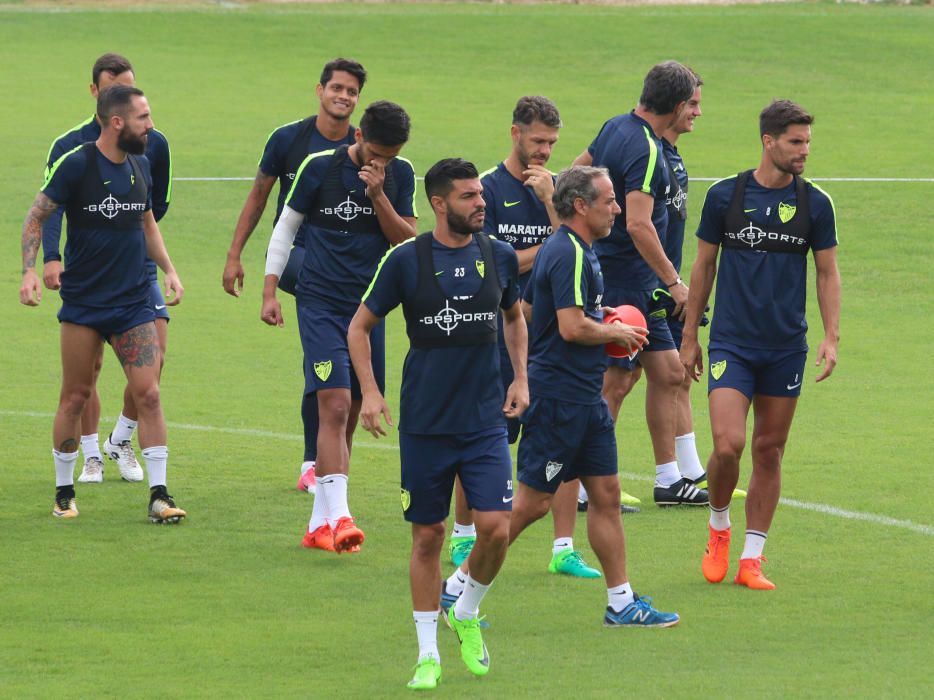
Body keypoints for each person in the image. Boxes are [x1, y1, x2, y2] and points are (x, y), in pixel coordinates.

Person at [455, 165, 679, 630]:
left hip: (586, 400)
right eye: (609, 200)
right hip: (561, 400)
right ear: (581, 205)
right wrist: (613, 330)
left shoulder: (574, 249)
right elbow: (570, 327)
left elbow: (550, 311)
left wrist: (604, 315)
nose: (618, 208)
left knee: (607, 494)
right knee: (531, 505)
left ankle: (621, 602)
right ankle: (457, 589)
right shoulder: (571, 252)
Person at [348, 158, 527, 689]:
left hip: (484, 420)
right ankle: (427, 653)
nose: (481, 203)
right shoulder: (406, 260)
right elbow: (359, 328)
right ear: (439, 203)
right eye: (469, 196)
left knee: (497, 527)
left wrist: (521, 379)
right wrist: (372, 394)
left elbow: (514, 318)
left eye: (480, 194)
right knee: (428, 535)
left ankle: (465, 609)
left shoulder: (498, 256)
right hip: (425, 423)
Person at [681, 99, 840, 590]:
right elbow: (704, 266)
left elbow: (827, 271)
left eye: (807, 142)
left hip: (785, 347)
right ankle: (719, 525)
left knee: (769, 449)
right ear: (768, 142)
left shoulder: (816, 203)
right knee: (728, 445)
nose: (804, 151)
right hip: (732, 343)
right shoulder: (725, 196)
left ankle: (752, 558)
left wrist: (831, 336)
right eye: (795, 142)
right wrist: (690, 334)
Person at [447, 96, 602, 581]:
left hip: (553, 342)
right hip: (498, 337)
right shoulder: (487, 192)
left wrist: (549, 204)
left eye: (553, 143)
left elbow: (572, 246)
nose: (545, 151)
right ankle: (464, 538)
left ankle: (562, 548)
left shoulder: (556, 192)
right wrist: (545, 244)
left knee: (564, 440)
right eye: (538, 141)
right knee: (487, 437)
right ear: (515, 133)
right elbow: (489, 262)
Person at [20, 85, 186, 524]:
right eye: (143, 117)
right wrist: (30, 270)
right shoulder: (76, 165)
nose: (150, 125)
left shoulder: (142, 165)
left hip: (133, 302)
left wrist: (168, 269)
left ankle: (159, 495)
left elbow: (147, 222)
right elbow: (38, 214)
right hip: (85, 305)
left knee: (148, 393)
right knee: (74, 396)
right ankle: (63, 492)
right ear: (117, 122)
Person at [262, 100, 417, 553]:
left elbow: (406, 241)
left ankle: (318, 526)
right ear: (357, 138)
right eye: (376, 154)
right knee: (332, 406)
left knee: (349, 414)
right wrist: (270, 291)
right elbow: (285, 231)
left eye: (390, 156)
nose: (381, 163)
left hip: (368, 311)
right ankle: (342, 516)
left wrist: (379, 194)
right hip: (321, 303)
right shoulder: (317, 168)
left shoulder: (401, 174)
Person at [223, 58, 367, 493]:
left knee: (333, 358)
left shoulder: (365, 145)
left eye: (352, 91)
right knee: (332, 341)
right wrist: (235, 256)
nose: (343, 96)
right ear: (319, 90)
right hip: (297, 256)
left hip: (347, 263)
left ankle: (327, 458)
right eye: (336, 88)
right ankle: (315, 460)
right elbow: (259, 196)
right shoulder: (288, 139)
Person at [573, 60, 708, 507]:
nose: (697, 112)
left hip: (633, 277)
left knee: (669, 373)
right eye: (690, 102)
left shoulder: (616, 126)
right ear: (672, 105)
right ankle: (579, 485)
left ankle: (670, 479)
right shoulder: (648, 148)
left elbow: (576, 172)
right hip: (627, 279)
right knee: (615, 382)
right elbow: (638, 224)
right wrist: (676, 283)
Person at [41, 53, 173, 485]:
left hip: (136, 274)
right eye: (115, 89)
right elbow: (48, 210)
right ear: (98, 96)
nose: (148, 122)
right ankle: (91, 454)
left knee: (152, 373)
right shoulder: (71, 150)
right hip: (88, 280)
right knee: (84, 380)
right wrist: (50, 258)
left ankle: (130, 449)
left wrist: (165, 267)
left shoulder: (150, 149)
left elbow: (151, 213)